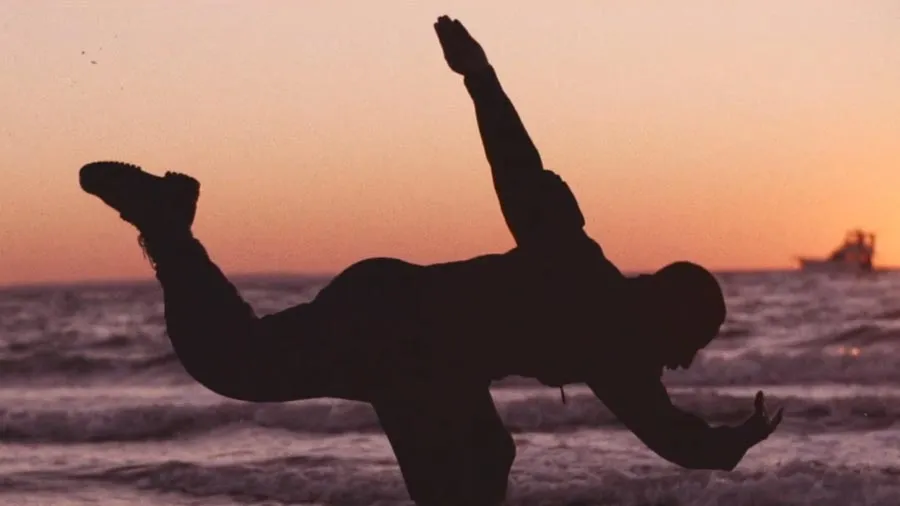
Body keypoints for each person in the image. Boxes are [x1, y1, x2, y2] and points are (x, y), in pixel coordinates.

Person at [78, 14, 783, 506]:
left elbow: (671, 434)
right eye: (691, 340)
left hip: (406, 324)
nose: (687, 358)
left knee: (479, 459)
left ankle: (168, 221)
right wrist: (480, 79)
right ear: (662, 310)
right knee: (235, 363)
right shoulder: (593, 307)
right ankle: (165, 226)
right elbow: (517, 168)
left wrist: (733, 442)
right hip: (396, 331)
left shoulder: (602, 316)